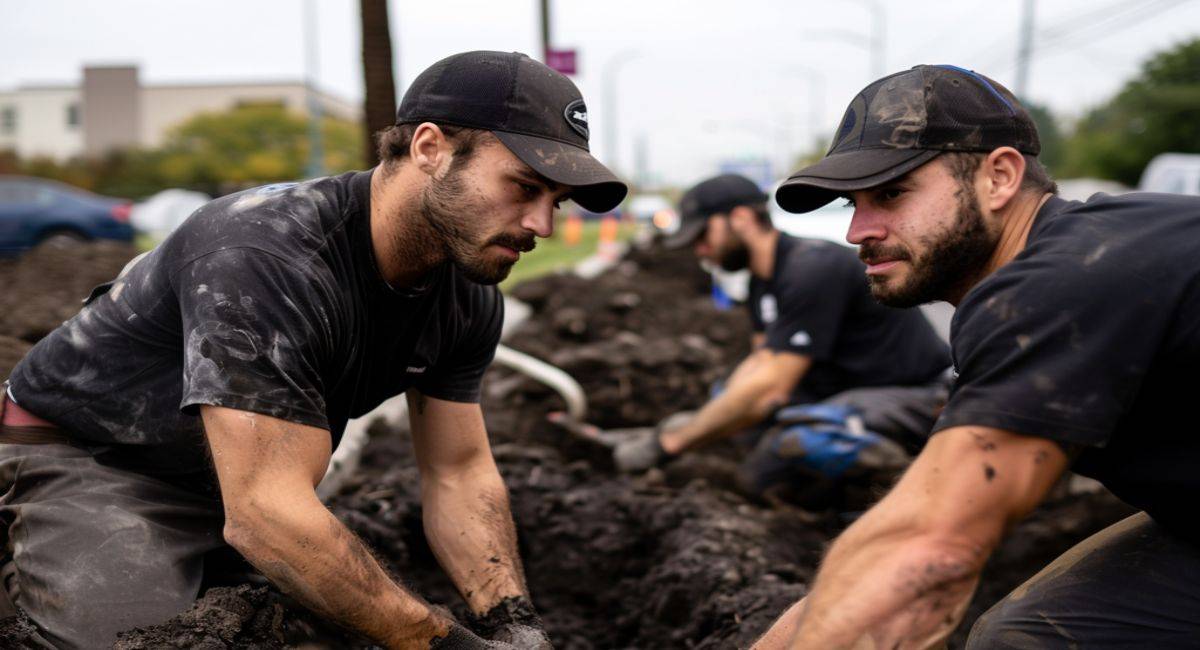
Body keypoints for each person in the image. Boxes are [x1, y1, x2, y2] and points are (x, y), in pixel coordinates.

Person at [0, 50, 626, 649]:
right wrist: (443, 643)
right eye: (524, 188)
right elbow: (266, 513)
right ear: (430, 148)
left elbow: (457, 472)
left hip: (234, 479)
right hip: (97, 460)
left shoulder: (467, 290)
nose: (543, 225)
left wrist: (511, 624)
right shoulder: (265, 254)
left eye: (557, 202)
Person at [755, 64, 1200, 649]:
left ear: (999, 177)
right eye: (851, 203)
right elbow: (921, 515)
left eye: (892, 193)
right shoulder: (1021, 295)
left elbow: (930, 549)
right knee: (1024, 637)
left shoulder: (1067, 280)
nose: (857, 230)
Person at [612, 173, 951, 497]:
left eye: (703, 235)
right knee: (730, 401)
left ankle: (915, 488)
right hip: (848, 391)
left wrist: (670, 444)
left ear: (741, 218)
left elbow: (770, 391)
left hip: (919, 397)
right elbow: (762, 362)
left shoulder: (813, 268)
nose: (700, 250)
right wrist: (703, 419)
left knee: (805, 440)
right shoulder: (764, 280)